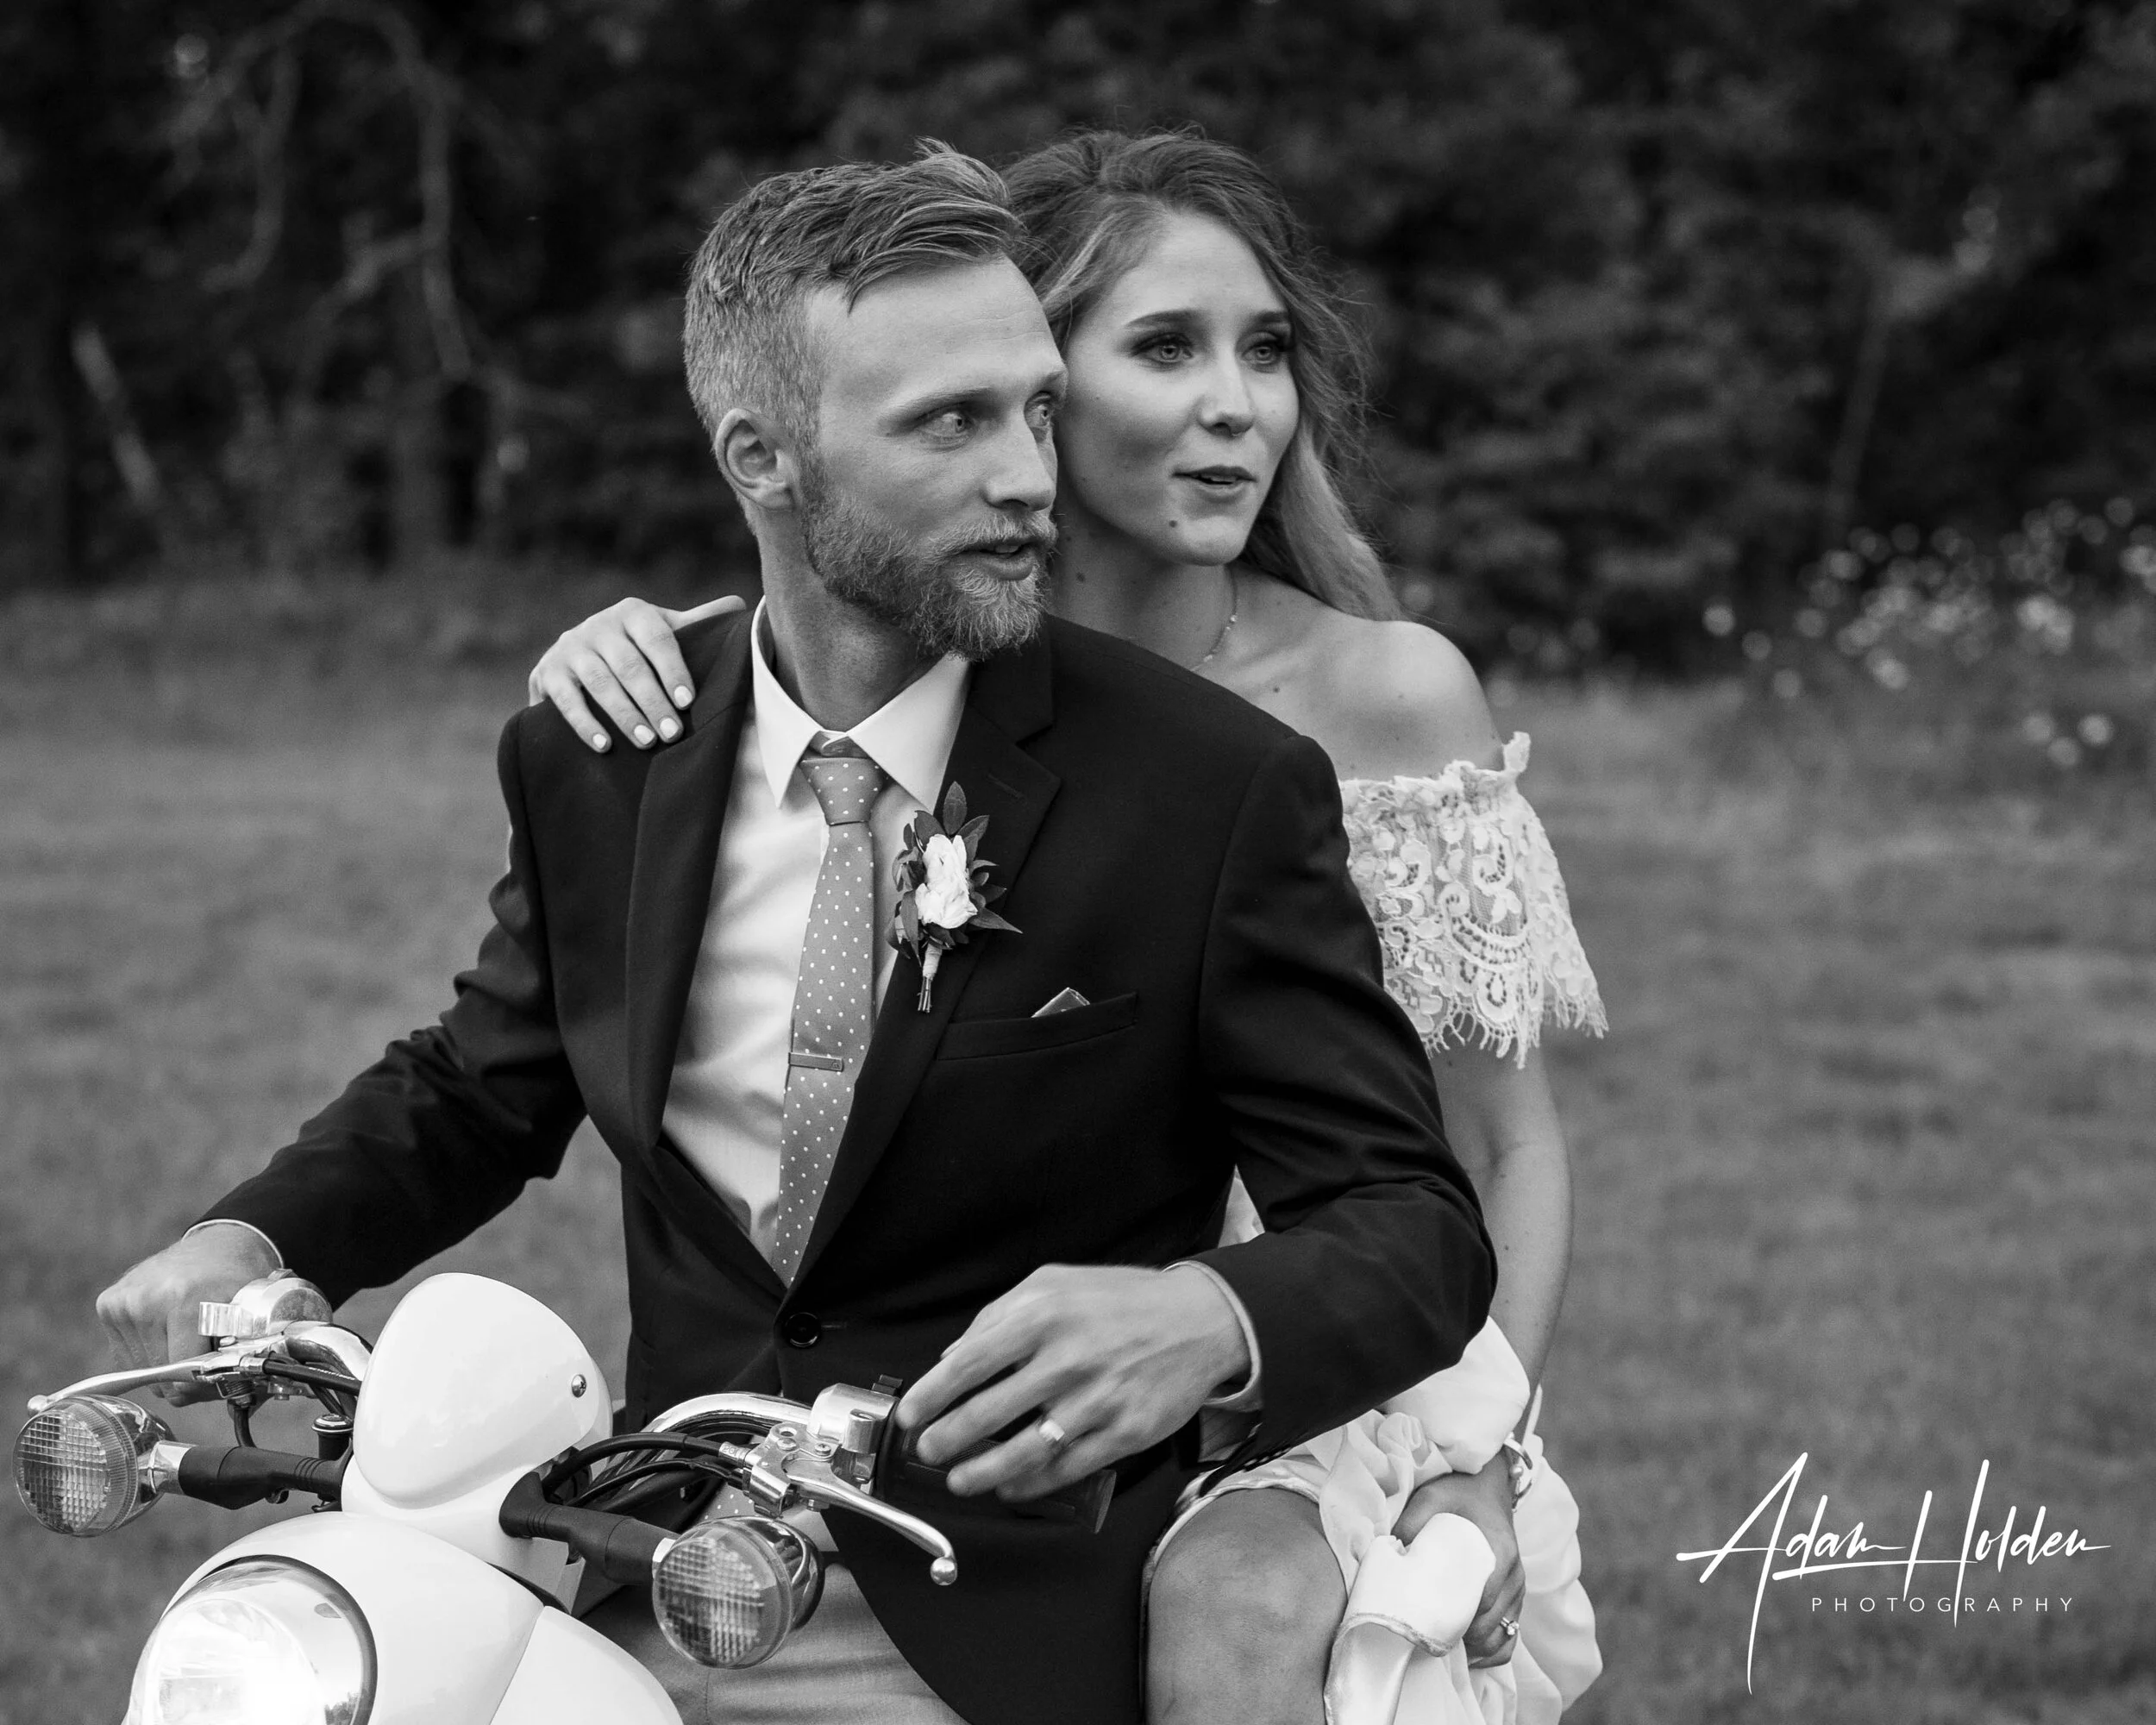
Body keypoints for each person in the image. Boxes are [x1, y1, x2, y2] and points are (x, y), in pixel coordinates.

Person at [94, 148, 1497, 1725]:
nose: (1030, 478)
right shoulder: (602, 749)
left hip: (992, 1611)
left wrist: (1212, 1316)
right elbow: (484, 1083)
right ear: (763, 456)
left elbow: (1413, 1225)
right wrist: (259, 1237)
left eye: (1034, 408)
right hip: (627, 1555)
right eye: (949, 425)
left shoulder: (1210, 791)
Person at [527, 129, 1607, 1725]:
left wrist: (1475, 1469)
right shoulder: (926, 653)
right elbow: (775, 646)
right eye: (1162, 348)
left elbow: (1493, 1158)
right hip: (958, 1368)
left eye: (1267, 349)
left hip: (1323, 1357)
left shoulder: (1377, 696)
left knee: (1237, 1614)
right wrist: (613, 657)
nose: (1236, 403)